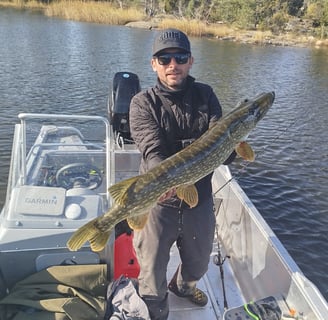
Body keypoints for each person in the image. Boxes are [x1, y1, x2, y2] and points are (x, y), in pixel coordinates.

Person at [129, 28, 236, 320]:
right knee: (151, 270)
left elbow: (220, 143)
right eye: (164, 58)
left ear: (191, 61)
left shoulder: (206, 96)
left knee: (200, 262)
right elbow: (152, 152)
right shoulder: (142, 103)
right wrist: (165, 181)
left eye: (180, 57)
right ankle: (156, 310)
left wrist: (234, 146)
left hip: (197, 197)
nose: (172, 64)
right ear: (154, 64)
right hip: (157, 201)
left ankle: (183, 288)